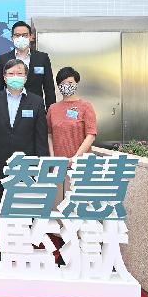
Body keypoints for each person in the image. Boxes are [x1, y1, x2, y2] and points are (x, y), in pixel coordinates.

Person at [0, 59, 48, 264]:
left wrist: (41, 168)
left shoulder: (37, 102)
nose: (14, 77)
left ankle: (23, 248)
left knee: (24, 208)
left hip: (26, 169)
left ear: (26, 77)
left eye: (19, 73)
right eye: (10, 74)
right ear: (3, 77)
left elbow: (40, 138)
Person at [47, 66, 97, 203]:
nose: (66, 86)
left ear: (76, 83)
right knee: (58, 203)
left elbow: (91, 134)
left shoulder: (85, 106)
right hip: (59, 165)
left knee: (80, 203)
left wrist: (75, 157)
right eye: (62, 84)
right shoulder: (53, 108)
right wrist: (53, 158)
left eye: (70, 83)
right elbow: (49, 134)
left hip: (81, 164)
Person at [0, 21, 56, 109]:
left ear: (31, 37)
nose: (21, 38)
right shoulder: (3, 59)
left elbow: (49, 87)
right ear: (12, 38)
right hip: (10, 107)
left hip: (35, 108)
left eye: (25, 35)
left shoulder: (42, 58)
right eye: (17, 35)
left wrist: (50, 111)